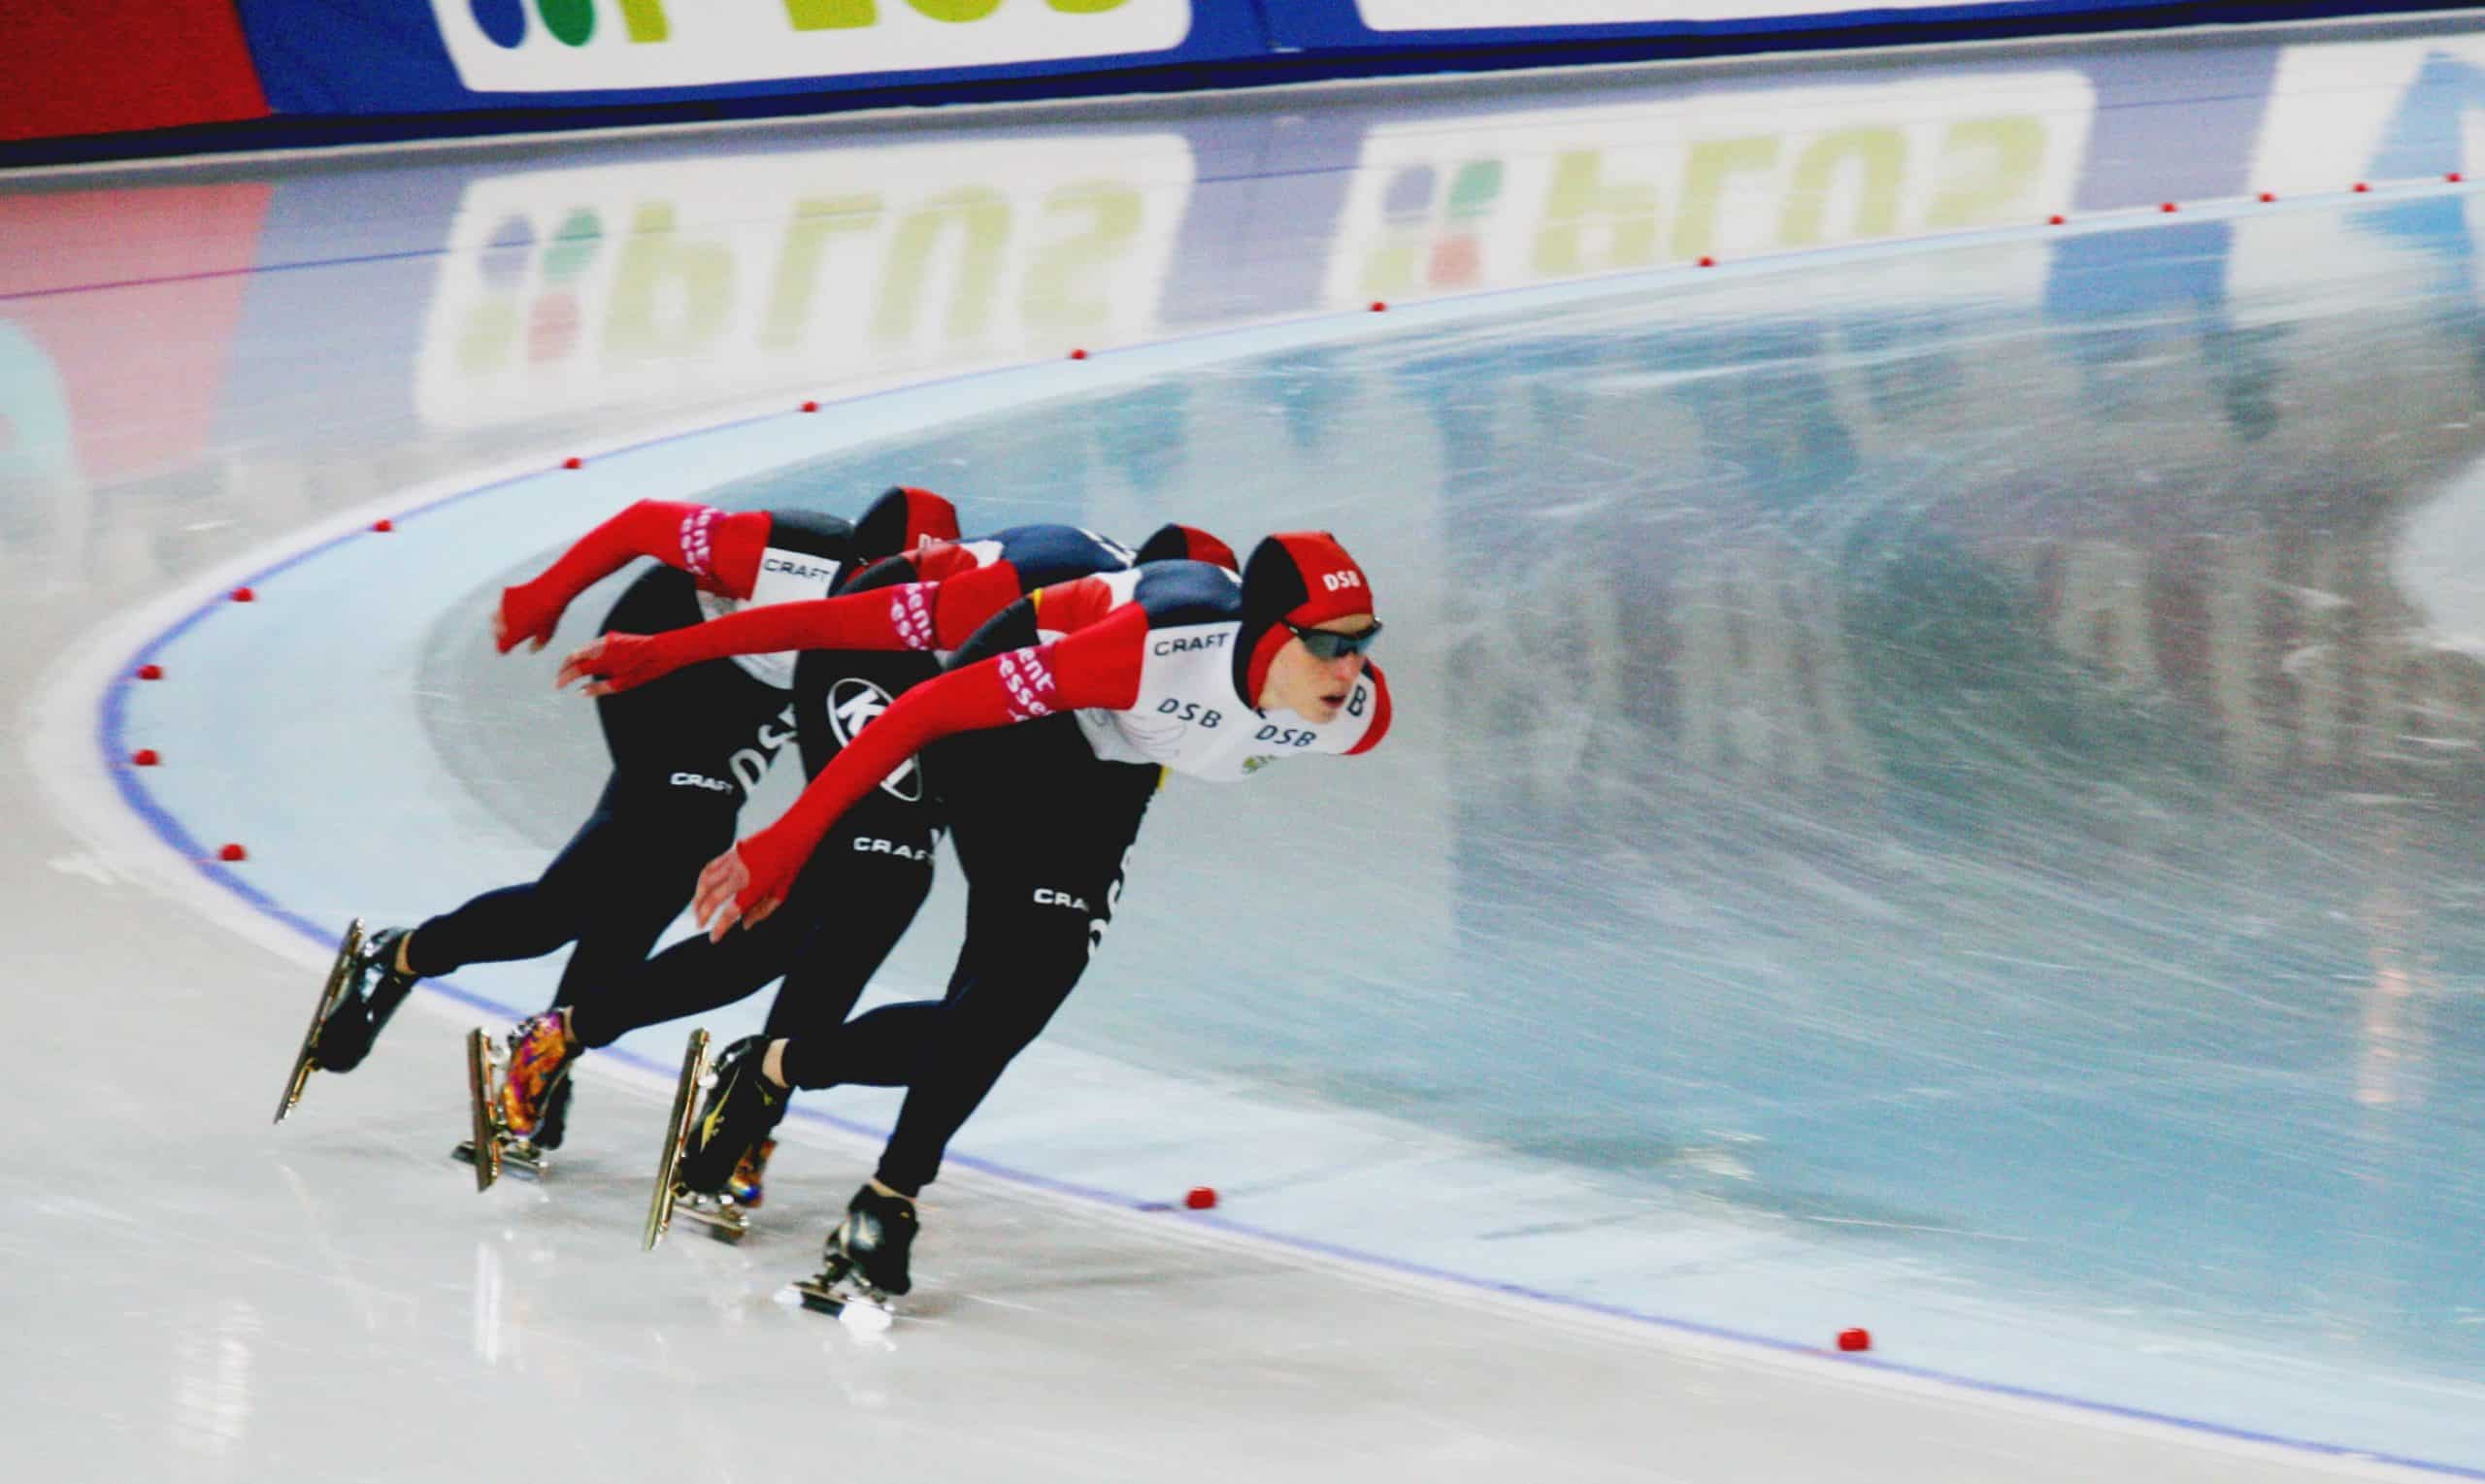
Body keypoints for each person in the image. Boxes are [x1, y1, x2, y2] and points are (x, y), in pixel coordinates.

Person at [521, 531, 1390, 1300]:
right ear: (1257, 628)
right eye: (1327, 644)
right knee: (852, 896)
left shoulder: (1356, 713)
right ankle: (574, 1033)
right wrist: (694, 682)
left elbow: (1172, 736)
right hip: (957, 698)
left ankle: (824, 1128)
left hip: (1101, 753)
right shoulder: (1129, 641)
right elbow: (886, 665)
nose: (1349, 668)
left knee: (1008, 1005)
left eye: (1363, 645)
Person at [471, 520, 1240, 1206]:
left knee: (810, 927)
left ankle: (656, 1059)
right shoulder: (1049, 596)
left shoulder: (1172, 675)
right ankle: (604, 1050)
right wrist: (670, 648)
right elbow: (837, 619)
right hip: (882, 659)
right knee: (879, 883)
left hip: (970, 699)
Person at [298, 486, 961, 1154]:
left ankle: (472, 1002)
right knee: (667, 842)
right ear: (856, 562)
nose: (894, 612)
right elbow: (642, 523)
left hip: (755, 694)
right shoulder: (786, 553)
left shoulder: (931, 619)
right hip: (661, 644)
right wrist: (543, 595)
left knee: (628, 895)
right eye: (882, 587)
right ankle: (462, 996)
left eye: (915, 598)